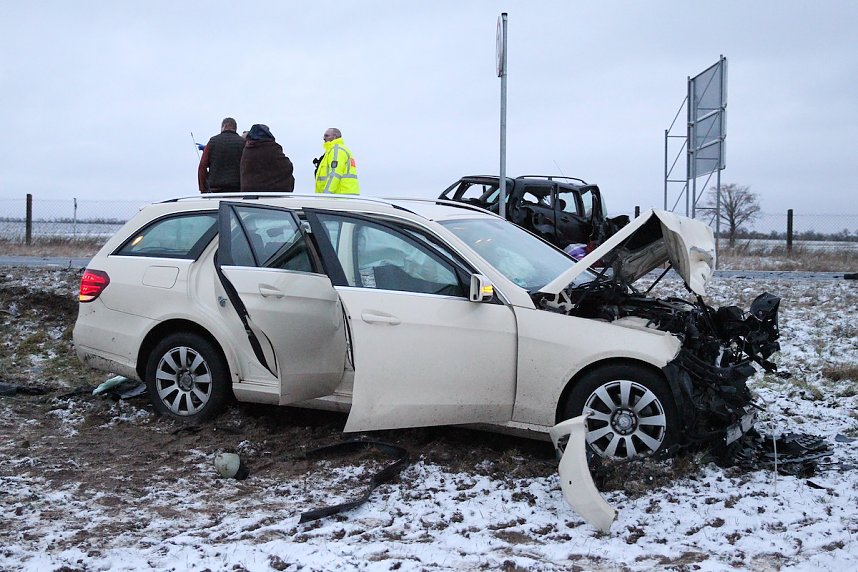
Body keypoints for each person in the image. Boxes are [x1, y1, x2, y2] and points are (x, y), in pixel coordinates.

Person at [240, 124, 295, 192]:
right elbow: (287, 167)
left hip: (249, 193)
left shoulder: (247, 150)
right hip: (270, 194)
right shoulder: (272, 148)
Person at [197, 118, 245, 193]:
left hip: (215, 191)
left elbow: (202, 166)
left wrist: (203, 189)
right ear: (235, 128)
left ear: (223, 126)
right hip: (237, 191)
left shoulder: (212, 142)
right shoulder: (243, 143)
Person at [314, 128, 359, 194]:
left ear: (334, 137)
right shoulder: (333, 151)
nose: (324, 138)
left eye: (327, 136)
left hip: (339, 197)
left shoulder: (337, 151)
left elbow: (335, 174)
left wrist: (326, 195)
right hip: (342, 196)